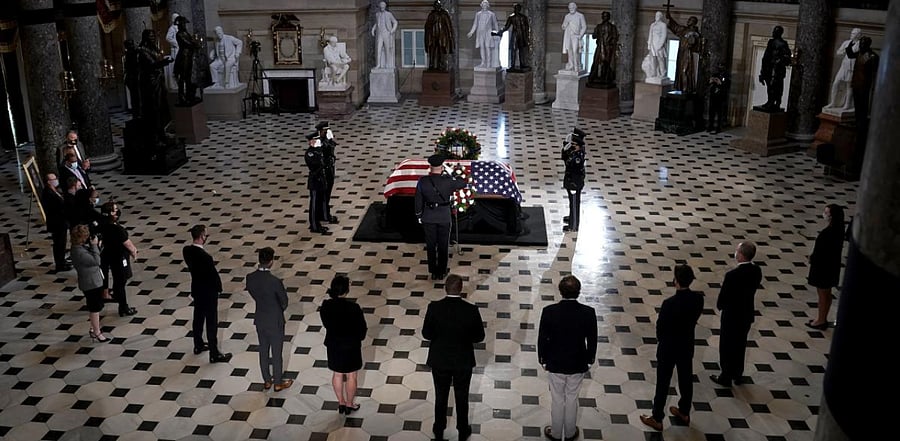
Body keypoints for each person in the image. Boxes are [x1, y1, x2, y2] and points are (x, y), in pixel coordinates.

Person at [640, 265, 704, 431]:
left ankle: (657, 417)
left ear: (676, 281)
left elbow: (660, 328)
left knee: (663, 382)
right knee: (685, 379)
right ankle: (684, 411)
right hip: (686, 345)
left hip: (668, 347)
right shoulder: (698, 299)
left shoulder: (669, 303)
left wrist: (662, 340)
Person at [422, 274, 485, 441]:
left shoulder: (434, 308)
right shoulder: (471, 310)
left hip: (440, 360)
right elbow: (479, 337)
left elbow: (426, 334)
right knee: (462, 395)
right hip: (462, 360)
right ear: (461, 289)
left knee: (440, 395)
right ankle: (463, 429)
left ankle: (439, 428)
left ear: (445, 288)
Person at [538, 275, 597, 441]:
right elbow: (592, 339)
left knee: (557, 398)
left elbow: (543, 338)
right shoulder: (588, 312)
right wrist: (590, 359)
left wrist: (542, 358)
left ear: (560, 291)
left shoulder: (549, 311)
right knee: (572, 397)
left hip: (555, 361)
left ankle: (556, 433)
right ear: (578, 292)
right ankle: (570, 432)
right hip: (577, 362)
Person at [710, 242, 762, 388]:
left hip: (732, 315)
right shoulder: (757, 270)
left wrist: (721, 306)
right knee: (740, 344)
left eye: (737, 250)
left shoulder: (732, 275)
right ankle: (737, 374)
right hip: (746, 314)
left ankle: (725, 376)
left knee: (726, 346)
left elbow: (723, 297)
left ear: (740, 255)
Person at [182, 224, 233, 363]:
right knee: (211, 322)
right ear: (202, 237)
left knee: (198, 317)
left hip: (197, 289)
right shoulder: (205, 257)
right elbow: (212, 275)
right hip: (208, 292)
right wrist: (219, 288)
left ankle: (198, 345)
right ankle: (214, 352)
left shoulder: (186, 250)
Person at [246, 247, 292, 391]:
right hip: (275, 320)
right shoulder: (275, 281)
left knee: (263, 350)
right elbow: (284, 301)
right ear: (271, 261)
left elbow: (254, 294)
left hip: (260, 318)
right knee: (276, 353)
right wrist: (277, 309)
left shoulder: (250, 277)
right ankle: (278, 382)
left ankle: (266, 380)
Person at [320, 275, 367, 414]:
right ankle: (349, 404)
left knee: (337, 374)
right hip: (351, 345)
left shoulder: (326, 306)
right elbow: (362, 329)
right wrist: (358, 338)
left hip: (334, 344)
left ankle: (340, 402)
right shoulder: (354, 307)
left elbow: (326, 324)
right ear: (346, 291)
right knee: (352, 376)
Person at [414, 154, 466, 280]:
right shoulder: (448, 181)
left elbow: (418, 201)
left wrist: (419, 215)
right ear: (442, 167)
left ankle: (433, 271)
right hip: (444, 216)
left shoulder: (423, 181)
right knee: (443, 245)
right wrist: (451, 173)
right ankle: (442, 271)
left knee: (431, 245)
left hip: (428, 217)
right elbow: (463, 183)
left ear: (430, 167)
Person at [806, 204, 845, 330]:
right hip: (830, 266)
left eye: (827, 212)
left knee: (823, 294)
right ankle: (822, 318)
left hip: (824, 267)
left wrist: (813, 258)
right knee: (826, 294)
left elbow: (824, 250)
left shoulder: (830, 232)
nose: (825, 214)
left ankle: (821, 320)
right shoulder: (838, 229)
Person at [70, 224, 108, 343]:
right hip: (90, 284)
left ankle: (94, 328)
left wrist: (96, 247)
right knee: (94, 308)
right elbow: (96, 261)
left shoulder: (80, 248)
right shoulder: (78, 252)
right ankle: (97, 332)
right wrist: (95, 246)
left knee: (96, 306)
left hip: (94, 281)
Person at [100, 201, 138, 317]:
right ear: (111, 213)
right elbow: (128, 245)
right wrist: (134, 252)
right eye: (115, 209)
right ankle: (123, 307)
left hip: (108, 255)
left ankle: (119, 297)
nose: (117, 211)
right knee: (121, 281)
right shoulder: (117, 229)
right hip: (119, 257)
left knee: (118, 281)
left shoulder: (103, 225)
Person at [138, 29, 173, 141]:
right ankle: (156, 136)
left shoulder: (153, 48)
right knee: (154, 107)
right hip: (150, 82)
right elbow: (152, 65)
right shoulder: (143, 50)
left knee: (161, 106)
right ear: (145, 38)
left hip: (158, 80)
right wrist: (164, 62)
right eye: (150, 36)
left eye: (153, 36)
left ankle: (162, 132)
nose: (153, 38)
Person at [824, 28, 862, 111]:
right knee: (836, 83)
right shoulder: (846, 43)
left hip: (852, 67)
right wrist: (843, 51)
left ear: (858, 35)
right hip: (844, 66)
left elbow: (853, 53)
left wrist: (846, 51)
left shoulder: (860, 44)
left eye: (854, 34)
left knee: (849, 86)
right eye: (852, 33)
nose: (852, 35)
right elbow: (839, 52)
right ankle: (833, 102)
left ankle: (847, 104)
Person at [846, 36, 879, 126]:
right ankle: (858, 121)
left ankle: (862, 123)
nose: (861, 46)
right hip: (856, 83)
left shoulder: (873, 57)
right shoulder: (859, 53)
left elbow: (875, 72)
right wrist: (851, 44)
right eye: (860, 44)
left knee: (863, 106)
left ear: (868, 45)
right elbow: (850, 54)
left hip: (864, 85)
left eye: (863, 44)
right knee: (857, 105)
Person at [666, 11, 701, 94]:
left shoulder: (696, 34)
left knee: (686, 70)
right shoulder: (684, 30)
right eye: (688, 20)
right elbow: (676, 27)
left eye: (690, 20)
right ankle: (681, 88)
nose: (688, 21)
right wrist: (670, 18)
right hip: (682, 54)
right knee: (681, 71)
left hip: (688, 55)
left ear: (693, 22)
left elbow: (697, 46)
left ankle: (687, 88)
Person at [757, 25, 791, 111]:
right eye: (773, 31)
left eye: (775, 31)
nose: (773, 33)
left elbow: (787, 56)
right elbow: (766, 55)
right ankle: (770, 101)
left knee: (776, 86)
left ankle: (777, 102)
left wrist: (779, 61)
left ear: (779, 33)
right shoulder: (771, 42)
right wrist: (762, 71)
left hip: (777, 69)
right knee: (769, 86)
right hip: (769, 67)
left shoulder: (783, 44)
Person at [41, 173, 70, 273]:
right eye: (54, 179)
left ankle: (62, 261)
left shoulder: (54, 190)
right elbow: (54, 209)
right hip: (57, 223)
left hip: (61, 222)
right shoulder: (47, 193)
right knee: (59, 244)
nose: (56, 180)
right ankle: (60, 264)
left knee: (62, 243)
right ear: (48, 182)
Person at [493, 3, 530, 71]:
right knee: (513, 50)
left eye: (518, 8)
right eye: (515, 8)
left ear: (520, 9)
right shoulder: (511, 17)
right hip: (515, 34)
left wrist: (527, 37)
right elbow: (506, 26)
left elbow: (527, 28)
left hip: (522, 35)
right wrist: (499, 32)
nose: (516, 9)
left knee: (522, 50)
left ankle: (522, 64)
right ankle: (512, 65)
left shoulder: (524, 17)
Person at [305, 132, 329, 234]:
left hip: (321, 179)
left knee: (320, 201)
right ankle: (314, 225)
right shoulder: (310, 153)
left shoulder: (318, 151)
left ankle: (319, 221)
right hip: (315, 180)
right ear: (311, 141)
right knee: (314, 204)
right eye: (315, 140)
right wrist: (323, 164)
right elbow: (314, 165)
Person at [561, 129, 585, 233]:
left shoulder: (577, 157)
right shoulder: (575, 152)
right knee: (572, 202)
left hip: (574, 183)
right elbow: (564, 157)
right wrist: (565, 147)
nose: (572, 146)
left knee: (574, 203)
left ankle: (573, 225)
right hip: (571, 181)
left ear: (578, 145)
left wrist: (567, 153)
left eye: (573, 144)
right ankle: (572, 217)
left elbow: (569, 165)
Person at [173, 15, 201, 105]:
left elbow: (192, 41)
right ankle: (181, 95)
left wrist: (195, 43)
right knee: (183, 77)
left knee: (188, 77)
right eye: (183, 24)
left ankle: (189, 95)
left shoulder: (186, 33)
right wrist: (195, 44)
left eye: (185, 24)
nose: (184, 26)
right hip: (183, 57)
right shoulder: (179, 34)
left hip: (189, 56)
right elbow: (187, 43)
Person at [587, 11, 618, 88]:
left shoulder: (612, 27)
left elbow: (615, 37)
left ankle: (606, 77)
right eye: (603, 16)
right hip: (600, 47)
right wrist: (598, 34)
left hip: (608, 48)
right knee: (596, 61)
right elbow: (594, 36)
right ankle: (594, 76)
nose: (605, 18)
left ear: (609, 17)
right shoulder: (599, 26)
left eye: (606, 16)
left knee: (607, 63)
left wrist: (610, 43)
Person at [316, 121, 338, 224]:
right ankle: (325, 215)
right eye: (325, 131)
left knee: (327, 193)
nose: (326, 132)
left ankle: (323, 213)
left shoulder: (325, 140)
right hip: (324, 170)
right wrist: (330, 141)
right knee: (324, 194)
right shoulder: (319, 142)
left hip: (330, 168)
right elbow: (326, 151)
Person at [467, 1, 499, 69]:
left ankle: (488, 63)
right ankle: (483, 62)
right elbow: (475, 24)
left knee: (487, 47)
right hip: (480, 32)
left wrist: (498, 32)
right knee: (482, 47)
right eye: (483, 5)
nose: (484, 6)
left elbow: (495, 23)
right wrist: (471, 32)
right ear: (481, 5)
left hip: (488, 32)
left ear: (487, 6)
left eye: (486, 5)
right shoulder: (478, 14)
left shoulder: (491, 14)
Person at [424, 0, 454, 71]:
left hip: (441, 36)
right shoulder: (431, 15)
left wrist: (450, 36)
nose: (436, 7)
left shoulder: (444, 14)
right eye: (435, 5)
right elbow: (427, 25)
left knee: (441, 50)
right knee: (432, 51)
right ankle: (431, 65)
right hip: (433, 36)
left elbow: (448, 25)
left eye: (438, 5)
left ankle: (441, 65)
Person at [371, 1, 398, 69]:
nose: (382, 7)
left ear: (385, 7)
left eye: (383, 6)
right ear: (380, 7)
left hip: (386, 33)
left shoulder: (389, 14)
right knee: (378, 49)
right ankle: (378, 64)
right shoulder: (377, 14)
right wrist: (373, 29)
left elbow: (395, 22)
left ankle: (387, 64)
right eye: (381, 6)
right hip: (379, 34)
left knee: (387, 49)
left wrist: (392, 30)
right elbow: (377, 23)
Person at [642, 11, 668, 82]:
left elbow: (664, 35)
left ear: (661, 17)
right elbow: (650, 35)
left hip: (659, 44)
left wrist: (660, 45)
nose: (657, 17)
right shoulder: (652, 25)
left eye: (658, 15)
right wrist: (649, 44)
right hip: (653, 44)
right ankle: (654, 73)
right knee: (653, 59)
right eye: (656, 15)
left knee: (661, 59)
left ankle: (663, 73)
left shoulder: (663, 25)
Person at [561, 3, 586, 72]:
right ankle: (571, 64)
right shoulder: (567, 16)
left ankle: (576, 65)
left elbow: (584, 27)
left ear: (575, 7)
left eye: (572, 7)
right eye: (569, 8)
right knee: (569, 50)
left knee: (575, 51)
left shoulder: (580, 16)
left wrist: (580, 35)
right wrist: (564, 26)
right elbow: (563, 25)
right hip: (568, 34)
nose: (571, 9)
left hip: (576, 35)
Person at [707, 62, 730, 133]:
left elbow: (727, 86)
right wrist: (711, 81)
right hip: (713, 96)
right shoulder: (715, 74)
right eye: (719, 66)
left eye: (722, 66)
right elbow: (710, 83)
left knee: (720, 113)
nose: (720, 67)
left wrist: (720, 83)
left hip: (721, 97)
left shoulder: (727, 76)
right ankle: (710, 126)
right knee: (711, 112)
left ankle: (718, 127)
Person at [165, 12, 180, 90]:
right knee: (175, 68)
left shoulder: (179, 27)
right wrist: (177, 43)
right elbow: (168, 38)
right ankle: (174, 84)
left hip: (180, 49)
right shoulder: (172, 28)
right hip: (175, 50)